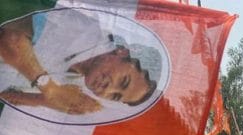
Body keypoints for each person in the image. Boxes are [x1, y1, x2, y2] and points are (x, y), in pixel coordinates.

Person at [0, 8, 160, 115]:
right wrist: (51, 90)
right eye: (123, 81)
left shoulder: (72, 83)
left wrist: (43, 101)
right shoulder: (85, 29)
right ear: (123, 52)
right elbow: (9, 36)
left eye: (115, 96)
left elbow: (4, 94)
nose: (109, 89)